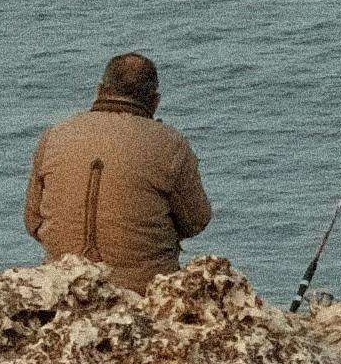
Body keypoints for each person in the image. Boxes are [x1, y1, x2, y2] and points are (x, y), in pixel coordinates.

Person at [27, 51, 212, 283]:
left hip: (63, 286)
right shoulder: (170, 144)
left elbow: (33, 222)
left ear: (100, 91)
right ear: (155, 101)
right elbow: (195, 222)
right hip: (142, 292)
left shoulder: (54, 136)